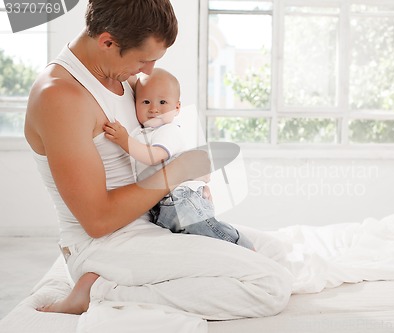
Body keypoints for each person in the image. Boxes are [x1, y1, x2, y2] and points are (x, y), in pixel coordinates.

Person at [24, 0, 291, 318]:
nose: (148, 72)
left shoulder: (123, 76)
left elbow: (163, 130)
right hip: (106, 245)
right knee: (270, 286)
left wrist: (192, 183)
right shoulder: (61, 97)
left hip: (155, 222)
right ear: (108, 41)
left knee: (277, 254)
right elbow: (97, 222)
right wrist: (175, 172)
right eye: (144, 60)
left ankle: (131, 285)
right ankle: (98, 289)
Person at [103, 68, 254, 250]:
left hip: (181, 198)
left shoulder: (168, 131)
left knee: (205, 229)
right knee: (192, 244)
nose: (153, 109)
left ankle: (241, 245)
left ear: (177, 108)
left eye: (162, 102)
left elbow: (154, 157)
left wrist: (124, 140)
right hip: (160, 204)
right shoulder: (142, 132)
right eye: (145, 102)